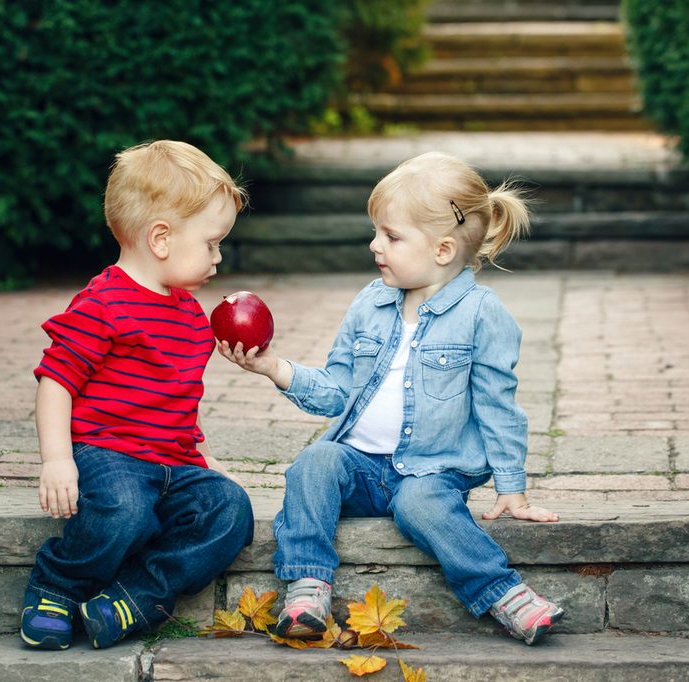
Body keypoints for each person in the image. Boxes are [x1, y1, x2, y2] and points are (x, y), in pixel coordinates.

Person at [219, 151, 564, 646]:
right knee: (315, 462)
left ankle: (504, 593)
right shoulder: (370, 302)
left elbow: (498, 407)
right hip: (360, 464)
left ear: (443, 250)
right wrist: (275, 368)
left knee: (422, 503)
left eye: (392, 236)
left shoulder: (483, 315)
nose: (375, 244)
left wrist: (512, 489)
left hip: (433, 469)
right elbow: (337, 391)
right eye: (377, 232)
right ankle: (307, 585)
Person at [20, 140, 254, 651]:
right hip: (107, 455)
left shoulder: (192, 316)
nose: (219, 256)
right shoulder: (102, 302)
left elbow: (178, 404)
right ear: (161, 239)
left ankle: (134, 597)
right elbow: (56, 379)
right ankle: (56, 587)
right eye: (212, 243)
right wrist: (58, 460)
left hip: (171, 463)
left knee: (231, 509)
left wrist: (207, 462)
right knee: (124, 509)